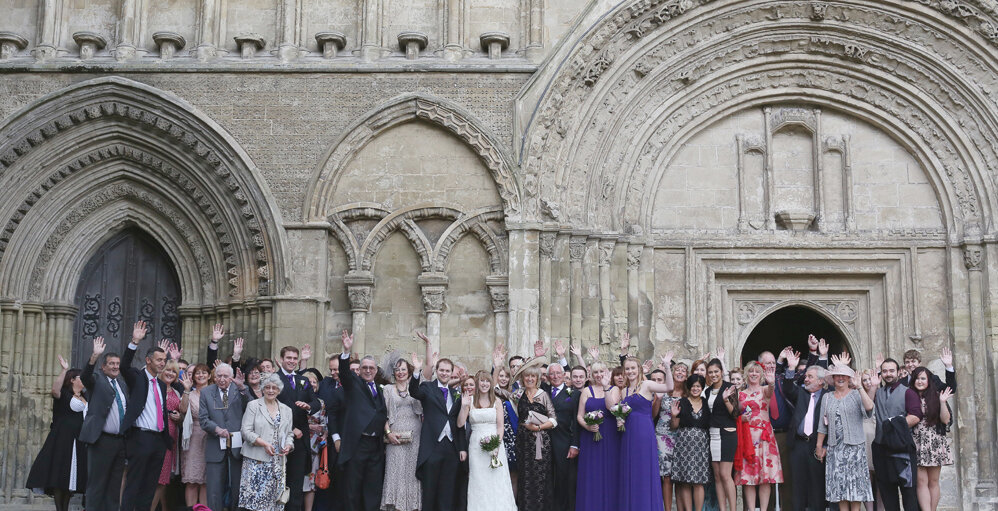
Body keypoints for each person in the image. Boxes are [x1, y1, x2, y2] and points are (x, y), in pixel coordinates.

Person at [118, 321, 179, 511]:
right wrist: (134, 342)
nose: (162, 363)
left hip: (159, 441)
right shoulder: (138, 377)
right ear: (148, 360)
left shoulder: (161, 384)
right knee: (134, 483)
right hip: (140, 438)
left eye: (164, 360)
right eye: (159, 360)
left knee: (150, 486)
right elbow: (124, 366)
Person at [605, 354, 674, 511]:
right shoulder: (624, 391)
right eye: (627, 369)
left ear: (639, 369)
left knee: (643, 470)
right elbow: (614, 408)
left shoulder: (647, 385)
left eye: (633, 368)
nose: (630, 371)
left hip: (643, 432)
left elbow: (669, 387)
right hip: (628, 433)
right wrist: (620, 418)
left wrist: (667, 366)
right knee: (630, 471)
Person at [409, 331, 466, 511]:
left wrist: (462, 447)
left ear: (451, 373)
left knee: (447, 492)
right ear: (436, 370)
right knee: (430, 491)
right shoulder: (427, 388)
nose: (444, 373)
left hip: (451, 447)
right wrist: (417, 371)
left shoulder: (456, 393)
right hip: (432, 446)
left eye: (447, 371)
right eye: (441, 370)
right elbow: (413, 392)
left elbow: (460, 423)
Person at [26, 354, 88, 511]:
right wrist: (64, 370)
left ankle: (65, 508)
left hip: (78, 440)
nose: (84, 380)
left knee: (71, 479)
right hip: (62, 440)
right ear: (73, 379)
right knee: (60, 476)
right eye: (81, 377)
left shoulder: (86, 396)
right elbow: (55, 390)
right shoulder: (64, 395)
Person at [815, 355, 876, 510]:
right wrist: (819, 446)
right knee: (840, 489)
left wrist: (860, 387)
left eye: (844, 376)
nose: (840, 378)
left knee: (855, 489)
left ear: (849, 378)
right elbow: (822, 425)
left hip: (855, 449)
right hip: (835, 450)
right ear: (833, 378)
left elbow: (869, 408)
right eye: (837, 375)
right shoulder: (827, 397)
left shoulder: (856, 394)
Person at [337, 330, 389, 511]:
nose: (367, 370)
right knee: (353, 489)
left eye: (371, 368)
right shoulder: (354, 384)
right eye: (364, 368)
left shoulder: (382, 389)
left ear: (376, 370)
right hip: (357, 444)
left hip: (376, 445)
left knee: (373, 489)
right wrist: (346, 351)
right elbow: (343, 372)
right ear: (359, 370)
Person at [78, 337, 127, 511]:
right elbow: (84, 377)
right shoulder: (97, 380)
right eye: (111, 364)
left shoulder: (122, 384)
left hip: (119, 441)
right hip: (101, 440)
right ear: (103, 367)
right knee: (97, 484)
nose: (115, 367)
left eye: (117, 364)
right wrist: (94, 356)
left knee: (114, 486)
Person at [459, 370, 517, 510]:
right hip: (476, 446)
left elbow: (500, 426)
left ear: (491, 384)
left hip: (495, 443)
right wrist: (463, 406)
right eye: (482, 381)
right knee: (479, 480)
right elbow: (460, 423)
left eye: (487, 381)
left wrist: (496, 445)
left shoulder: (496, 401)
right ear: (477, 382)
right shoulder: (470, 400)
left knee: (496, 479)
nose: (484, 384)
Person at [240, 372, 295, 511]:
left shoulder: (287, 410)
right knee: (255, 503)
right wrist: (263, 443)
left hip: (277, 463)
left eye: (274, 388)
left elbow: (289, 433)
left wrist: (289, 445)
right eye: (267, 387)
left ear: (279, 390)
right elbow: (245, 431)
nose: (271, 390)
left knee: (275, 503)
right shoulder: (253, 405)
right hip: (255, 462)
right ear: (263, 389)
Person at [275, 345, 322, 511]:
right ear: (281, 359)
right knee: (279, 483)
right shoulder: (274, 379)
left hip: (301, 441)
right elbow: (272, 408)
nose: (292, 361)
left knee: (296, 486)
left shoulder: (302, 380)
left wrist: (308, 406)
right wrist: (291, 428)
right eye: (288, 358)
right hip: (279, 440)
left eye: (295, 358)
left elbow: (316, 402)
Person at [782, 350, 829, 511]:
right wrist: (790, 368)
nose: (806, 379)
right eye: (806, 376)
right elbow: (788, 388)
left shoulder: (828, 396)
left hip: (818, 445)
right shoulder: (801, 393)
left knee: (817, 485)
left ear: (821, 381)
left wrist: (826, 446)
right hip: (798, 445)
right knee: (798, 484)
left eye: (810, 377)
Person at [872, 358, 921, 511]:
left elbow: (915, 416)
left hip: (902, 449)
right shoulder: (878, 392)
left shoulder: (908, 393)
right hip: (881, 449)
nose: (888, 374)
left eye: (891, 371)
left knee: (909, 494)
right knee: (887, 495)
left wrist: (893, 426)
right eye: (885, 371)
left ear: (898, 372)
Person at [734, 362, 783, 511]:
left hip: (764, 437)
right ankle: (750, 509)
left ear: (761, 375)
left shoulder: (765, 390)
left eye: (757, 371)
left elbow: (770, 391)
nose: (754, 374)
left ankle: (763, 509)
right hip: (747, 437)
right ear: (746, 374)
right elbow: (735, 413)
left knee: (765, 477)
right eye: (751, 371)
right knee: (748, 478)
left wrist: (771, 382)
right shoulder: (740, 394)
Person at [200, 362, 247, 511]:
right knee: (214, 489)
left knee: (237, 488)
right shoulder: (206, 392)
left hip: (237, 447)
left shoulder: (239, 390)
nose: (222, 379)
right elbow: (203, 419)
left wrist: (242, 388)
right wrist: (216, 429)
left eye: (225, 376)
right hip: (215, 445)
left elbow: (252, 407)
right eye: (219, 376)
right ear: (214, 377)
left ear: (231, 377)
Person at [909, 367, 953, 511]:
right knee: (921, 481)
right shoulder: (909, 395)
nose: (920, 381)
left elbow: (946, 420)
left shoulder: (936, 395)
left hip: (934, 441)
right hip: (916, 441)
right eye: (917, 378)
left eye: (923, 378)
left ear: (928, 381)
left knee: (933, 481)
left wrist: (942, 402)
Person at [575, 360, 618, 511]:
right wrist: (587, 426)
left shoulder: (614, 389)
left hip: (610, 437)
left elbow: (612, 408)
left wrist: (606, 388)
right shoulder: (587, 391)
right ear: (591, 375)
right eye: (596, 372)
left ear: (607, 373)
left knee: (609, 474)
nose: (599, 375)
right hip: (590, 438)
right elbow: (580, 415)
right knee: (591, 475)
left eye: (602, 372)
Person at [381, 358, 423, 511]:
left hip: (415, 438)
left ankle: (412, 507)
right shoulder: (387, 389)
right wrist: (389, 433)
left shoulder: (416, 387)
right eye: (397, 370)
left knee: (412, 474)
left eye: (403, 369)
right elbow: (382, 415)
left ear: (409, 371)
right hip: (395, 437)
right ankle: (396, 507)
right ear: (393, 372)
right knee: (395, 472)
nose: (400, 372)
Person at [515, 362, 556, 511]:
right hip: (523, 442)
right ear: (523, 378)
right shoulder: (518, 394)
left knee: (540, 478)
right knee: (525, 477)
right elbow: (498, 390)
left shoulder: (543, 395)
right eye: (527, 376)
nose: (530, 379)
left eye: (533, 376)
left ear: (538, 378)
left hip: (541, 441)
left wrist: (537, 427)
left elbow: (553, 419)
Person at [152, 358, 189, 511]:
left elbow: (184, 410)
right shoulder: (154, 386)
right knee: (152, 478)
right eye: (168, 370)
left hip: (170, 440)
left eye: (174, 371)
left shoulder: (175, 391)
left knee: (162, 480)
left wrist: (186, 390)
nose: (170, 373)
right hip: (154, 438)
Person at [543, 357, 580, 511]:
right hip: (544, 441)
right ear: (547, 377)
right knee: (546, 478)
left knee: (564, 479)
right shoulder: (542, 392)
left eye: (558, 373)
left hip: (565, 442)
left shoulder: (574, 394)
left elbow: (576, 420)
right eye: (552, 374)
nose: (555, 376)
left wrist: (575, 444)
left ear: (564, 375)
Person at [671, 374, 711, 511]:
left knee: (699, 482)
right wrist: (674, 415)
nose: (695, 388)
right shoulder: (682, 402)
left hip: (701, 446)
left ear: (702, 388)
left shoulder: (706, 403)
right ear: (689, 387)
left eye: (698, 386)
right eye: (693, 386)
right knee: (686, 482)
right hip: (684, 445)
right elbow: (674, 426)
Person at [703, 358, 737, 511]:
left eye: (716, 371)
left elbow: (735, 414)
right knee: (717, 475)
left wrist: (726, 400)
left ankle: (733, 509)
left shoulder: (730, 387)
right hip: (712, 434)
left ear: (722, 372)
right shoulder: (708, 391)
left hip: (727, 433)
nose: (713, 374)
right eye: (710, 372)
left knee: (725, 474)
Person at [316, 354, 345, 511]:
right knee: (323, 475)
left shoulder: (350, 386)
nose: (334, 373)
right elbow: (310, 384)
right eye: (331, 369)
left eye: (337, 369)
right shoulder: (326, 384)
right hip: (322, 437)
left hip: (341, 438)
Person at [658, 361, 687, 511]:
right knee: (667, 476)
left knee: (679, 476)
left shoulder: (688, 394)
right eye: (678, 370)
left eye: (683, 371)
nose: (680, 372)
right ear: (673, 372)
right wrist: (657, 399)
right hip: (662, 436)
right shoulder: (664, 390)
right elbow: (654, 413)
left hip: (681, 436)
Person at [184, 362, 211, 506]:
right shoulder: (191, 393)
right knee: (192, 480)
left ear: (209, 375)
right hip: (194, 436)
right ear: (193, 377)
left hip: (211, 438)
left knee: (206, 481)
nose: (201, 375)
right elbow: (182, 410)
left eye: (204, 372)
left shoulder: (215, 393)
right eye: (197, 373)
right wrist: (186, 390)